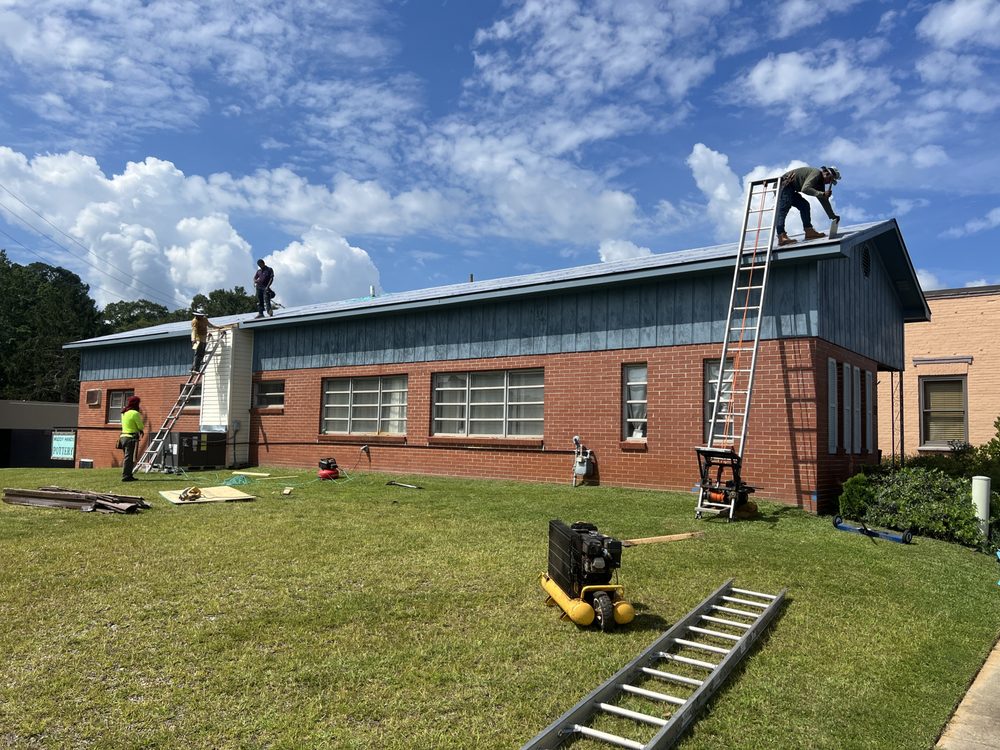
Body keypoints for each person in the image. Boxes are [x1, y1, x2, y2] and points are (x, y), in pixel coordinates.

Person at [776, 165, 841, 246]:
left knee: (804, 205)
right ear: (826, 174)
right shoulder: (816, 174)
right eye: (830, 180)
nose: (829, 182)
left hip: (790, 188)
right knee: (784, 207)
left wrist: (832, 216)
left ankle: (809, 231)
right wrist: (823, 193)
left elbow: (824, 200)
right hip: (783, 185)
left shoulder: (820, 183)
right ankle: (781, 236)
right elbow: (805, 189)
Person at [118, 395, 144, 482]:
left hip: (122, 437)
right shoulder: (135, 413)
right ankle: (126, 476)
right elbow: (140, 426)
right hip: (130, 438)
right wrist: (140, 430)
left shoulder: (124, 412)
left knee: (127, 457)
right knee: (129, 458)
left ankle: (128, 474)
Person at [191, 307, 222, 373]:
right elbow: (194, 330)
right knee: (198, 353)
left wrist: (217, 327)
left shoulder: (204, 319)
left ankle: (195, 368)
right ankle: (195, 369)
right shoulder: (195, 321)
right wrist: (193, 339)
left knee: (202, 353)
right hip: (197, 338)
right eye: (200, 316)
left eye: (202, 316)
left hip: (203, 337)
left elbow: (209, 325)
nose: (201, 317)